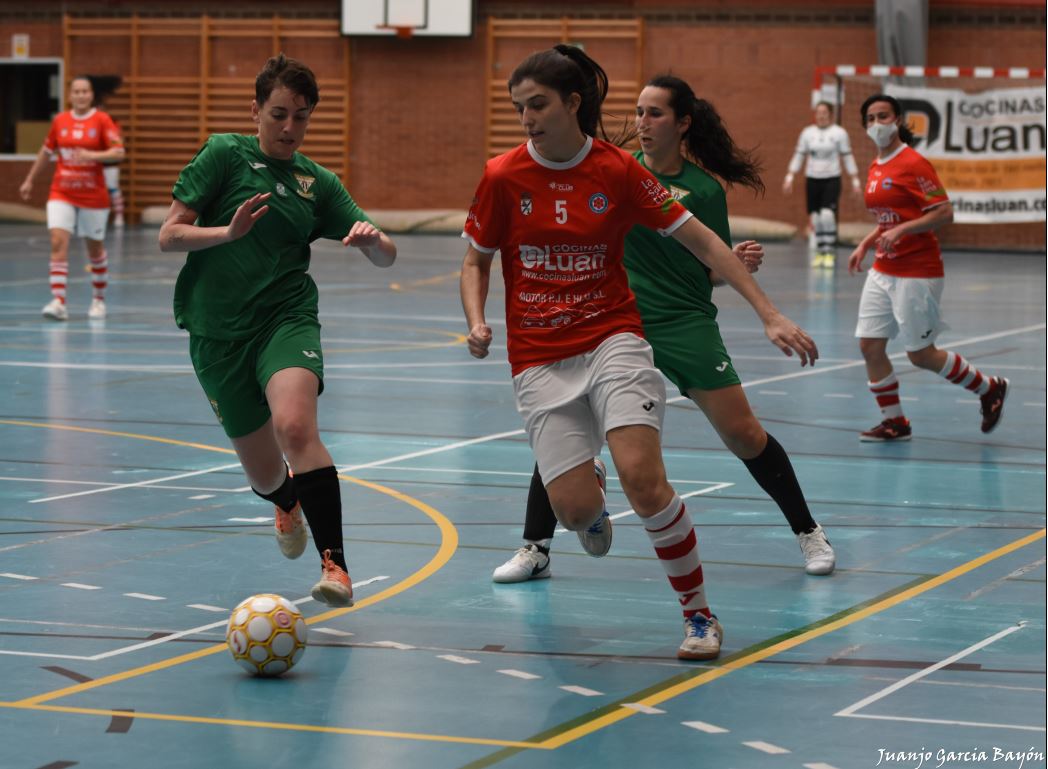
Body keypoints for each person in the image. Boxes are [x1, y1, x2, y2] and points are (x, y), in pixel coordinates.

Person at [460, 45, 818, 660]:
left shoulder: (618, 171)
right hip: (538, 356)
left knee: (646, 480)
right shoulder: (501, 176)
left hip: (613, 339)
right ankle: (585, 498)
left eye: (538, 104)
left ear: (572, 104)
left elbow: (704, 240)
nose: (527, 118)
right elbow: (474, 260)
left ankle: (700, 615)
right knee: (574, 512)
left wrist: (768, 311)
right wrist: (476, 320)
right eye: (519, 107)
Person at [158, 54, 396, 606]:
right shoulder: (222, 155)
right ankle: (285, 499)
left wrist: (372, 243)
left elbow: (387, 255)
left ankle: (336, 566)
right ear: (256, 111)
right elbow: (169, 236)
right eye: (280, 114)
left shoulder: (318, 184)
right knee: (265, 474)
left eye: (302, 117)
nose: (290, 128)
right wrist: (228, 232)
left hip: (285, 321)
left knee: (294, 426)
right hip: (217, 335)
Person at [849, 93, 1008, 441]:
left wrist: (903, 230)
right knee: (869, 346)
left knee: (920, 354)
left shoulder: (914, 163)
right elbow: (890, 217)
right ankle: (895, 422)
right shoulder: (877, 165)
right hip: (883, 268)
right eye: (871, 118)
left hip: (917, 271)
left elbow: (943, 212)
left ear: (898, 119)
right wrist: (866, 243)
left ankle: (988, 388)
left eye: (883, 116)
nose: (877, 123)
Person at [19, 76, 124, 321]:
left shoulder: (101, 120)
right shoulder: (60, 121)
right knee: (58, 241)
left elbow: (118, 151)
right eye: (76, 91)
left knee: (95, 248)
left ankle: (98, 299)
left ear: (90, 95)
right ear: (70, 95)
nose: (80, 95)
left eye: (85, 91)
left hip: (92, 194)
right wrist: (29, 179)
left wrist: (91, 154)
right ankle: (59, 301)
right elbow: (46, 152)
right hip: (62, 191)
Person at [783, 101, 862, 268]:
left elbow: (847, 157)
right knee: (816, 217)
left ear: (830, 114)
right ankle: (820, 251)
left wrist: (855, 181)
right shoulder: (807, 133)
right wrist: (790, 176)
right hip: (812, 179)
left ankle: (829, 252)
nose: (821, 116)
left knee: (827, 214)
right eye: (818, 112)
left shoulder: (839, 133)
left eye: (824, 112)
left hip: (831, 178)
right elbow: (799, 155)